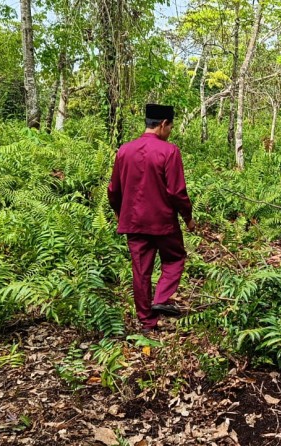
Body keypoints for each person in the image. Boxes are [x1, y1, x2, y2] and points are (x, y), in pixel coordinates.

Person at [108, 104, 196, 333]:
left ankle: (147, 322)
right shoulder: (169, 151)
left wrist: (120, 213)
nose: (171, 132)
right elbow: (177, 191)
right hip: (163, 222)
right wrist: (188, 217)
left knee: (141, 270)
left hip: (133, 223)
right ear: (164, 124)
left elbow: (113, 189)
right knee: (175, 258)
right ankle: (161, 297)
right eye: (171, 127)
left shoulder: (124, 150)